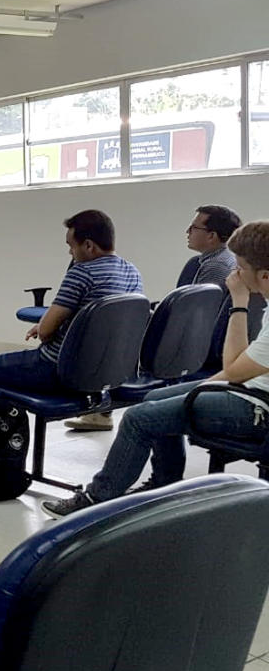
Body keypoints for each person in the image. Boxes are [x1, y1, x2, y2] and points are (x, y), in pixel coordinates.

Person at [43, 219, 269, 518]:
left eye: (240, 267)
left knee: (139, 418)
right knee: (152, 400)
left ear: (264, 276)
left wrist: (239, 303)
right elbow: (236, 370)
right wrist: (204, 385)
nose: (235, 273)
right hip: (248, 390)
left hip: (256, 411)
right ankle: (165, 483)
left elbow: (234, 368)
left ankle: (96, 501)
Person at [0, 210, 143, 453]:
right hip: (102, 375)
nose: (70, 252)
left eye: (71, 246)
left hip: (56, 370)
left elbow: (47, 331)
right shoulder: (132, 272)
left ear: (89, 245)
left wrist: (44, 326)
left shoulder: (82, 273)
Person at [66, 204, 241, 431]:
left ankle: (100, 405)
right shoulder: (222, 259)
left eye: (193, 227)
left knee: (118, 329)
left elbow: (196, 319)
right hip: (200, 341)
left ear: (211, 236)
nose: (187, 231)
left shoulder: (216, 266)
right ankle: (102, 410)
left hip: (196, 346)